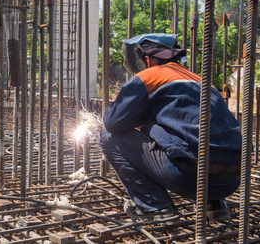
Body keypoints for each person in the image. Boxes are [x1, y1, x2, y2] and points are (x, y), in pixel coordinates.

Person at [99, 33, 241, 222]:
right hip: (231, 181)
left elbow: (112, 122)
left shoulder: (149, 76)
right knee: (196, 137)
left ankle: (155, 207)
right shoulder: (201, 80)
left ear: (147, 60)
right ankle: (215, 205)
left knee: (107, 137)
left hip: (189, 179)